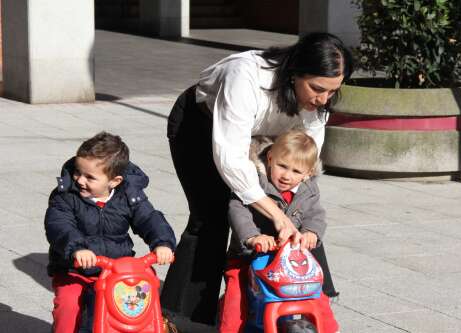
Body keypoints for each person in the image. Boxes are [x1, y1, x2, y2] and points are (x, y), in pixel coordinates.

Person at [161, 32, 353, 325]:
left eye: (332, 91)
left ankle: (308, 298)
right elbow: (231, 157)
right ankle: (183, 318)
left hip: (268, 139)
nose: (324, 99)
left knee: (294, 213)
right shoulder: (245, 75)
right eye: (317, 88)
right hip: (201, 126)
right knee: (210, 217)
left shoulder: (318, 100)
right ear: (294, 73)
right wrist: (274, 213)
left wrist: (292, 215)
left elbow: (307, 159)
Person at [44, 131, 176, 333]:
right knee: (68, 307)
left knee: (137, 302)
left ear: (114, 181)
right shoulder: (66, 195)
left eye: (90, 177)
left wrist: (162, 243)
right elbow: (59, 224)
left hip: (116, 270)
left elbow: (149, 218)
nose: (80, 180)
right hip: (75, 270)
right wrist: (77, 249)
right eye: (78, 172)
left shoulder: (129, 195)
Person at [219, 130, 339, 333]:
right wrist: (253, 237)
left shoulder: (307, 190)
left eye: (296, 171)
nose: (286, 176)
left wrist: (311, 232)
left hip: (289, 263)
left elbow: (316, 214)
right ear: (270, 158)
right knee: (235, 301)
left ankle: (328, 328)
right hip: (249, 258)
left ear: (307, 173)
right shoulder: (254, 182)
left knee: (317, 294)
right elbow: (238, 210)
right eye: (282, 166)